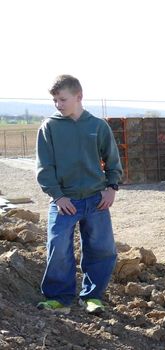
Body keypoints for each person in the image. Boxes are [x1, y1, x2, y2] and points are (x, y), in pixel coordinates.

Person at [35, 74, 123, 316]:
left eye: (62, 99)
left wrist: (111, 188)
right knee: (58, 248)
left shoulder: (97, 126)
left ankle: (92, 297)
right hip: (64, 201)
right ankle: (59, 299)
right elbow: (45, 167)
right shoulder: (50, 127)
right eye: (55, 100)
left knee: (102, 249)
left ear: (78, 96)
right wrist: (57, 196)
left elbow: (113, 160)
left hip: (96, 200)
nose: (58, 105)